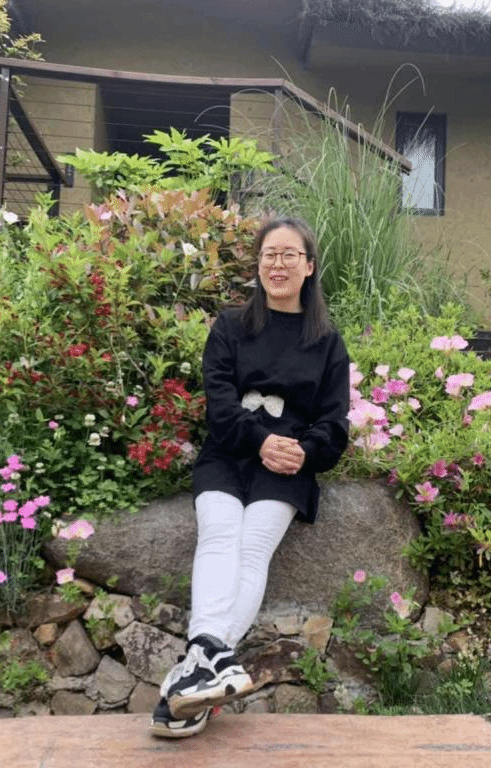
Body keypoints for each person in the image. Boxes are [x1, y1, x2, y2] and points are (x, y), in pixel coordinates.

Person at [151, 215, 350, 738]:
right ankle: (210, 662)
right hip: (229, 452)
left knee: (253, 544)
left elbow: (334, 421)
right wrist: (259, 440)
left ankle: (192, 674)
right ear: (258, 264)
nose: (277, 264)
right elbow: (218, 405)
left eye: (289, 255)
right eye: (269, 255)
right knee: (219, 532)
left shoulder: (328, 341)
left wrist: (303, 452)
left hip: (288, 464)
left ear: (309, 266)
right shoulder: (230, 326)